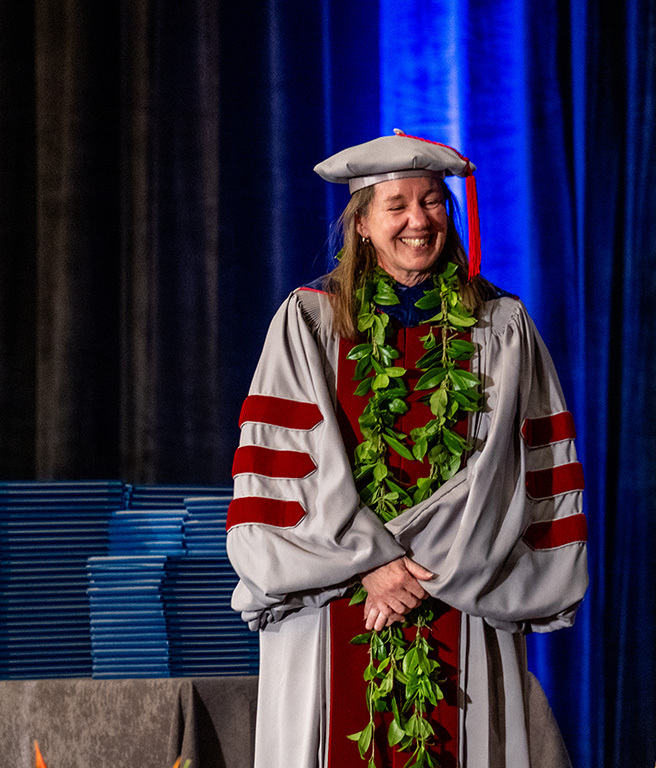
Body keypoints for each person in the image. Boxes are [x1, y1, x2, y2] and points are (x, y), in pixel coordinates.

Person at [225, 131, 588, 768]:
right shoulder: (309, 320)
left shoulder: (501, 324)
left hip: (463, 589)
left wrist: (423, 566)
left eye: (433, 202)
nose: (419, 221)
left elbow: (514, 471)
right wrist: (369, 564)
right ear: (361, 223)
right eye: (397, 206)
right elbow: (287, 470)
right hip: (336, 595)